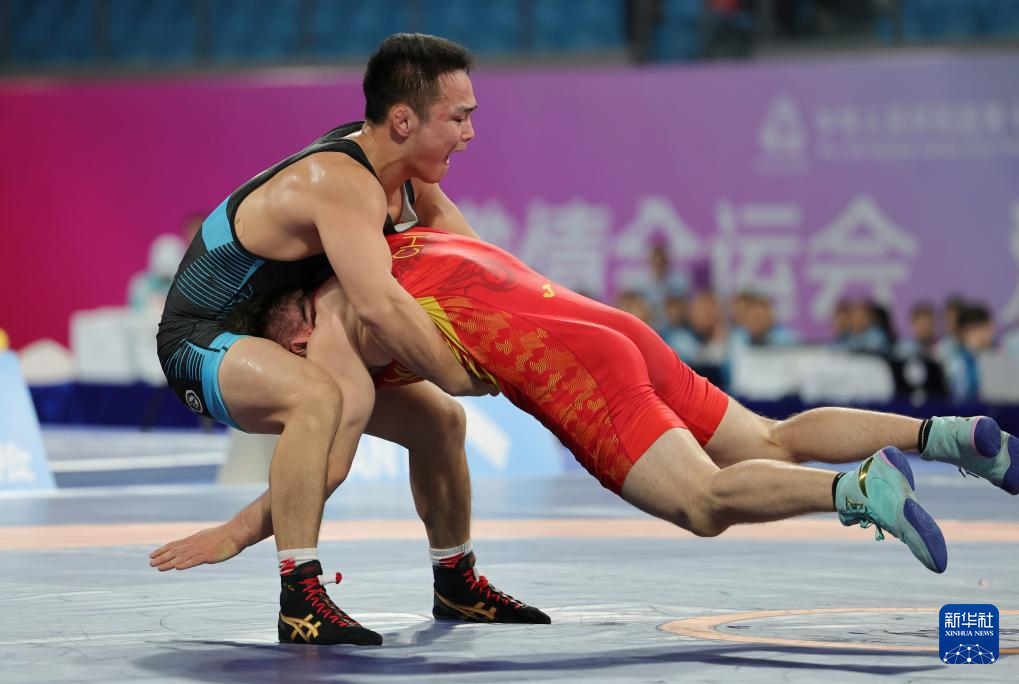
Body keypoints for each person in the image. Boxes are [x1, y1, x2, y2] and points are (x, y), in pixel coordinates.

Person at [197, 228, 1018, 595]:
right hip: (604, 323)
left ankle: (854, 490)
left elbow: (330, 455)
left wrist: (238, 531)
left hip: (574, 369)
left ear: (287, 325)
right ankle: (947, 437)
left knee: (702, 503)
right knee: (766, 437)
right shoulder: (393, 236)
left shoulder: (329, 329)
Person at [152, 34, 546, 646]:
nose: (470, 134)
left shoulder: (403, 173)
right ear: (403, 120)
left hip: (283, 325)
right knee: (321, 402)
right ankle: (299, 598)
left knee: (440, 424)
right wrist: (460, 374)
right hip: (203, 339)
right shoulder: (340, 181)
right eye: (459, 118)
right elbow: (382, 309)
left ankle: (457, 581)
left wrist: (542, 328)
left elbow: (481, 268)